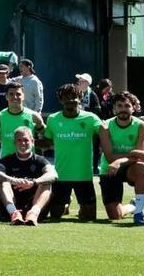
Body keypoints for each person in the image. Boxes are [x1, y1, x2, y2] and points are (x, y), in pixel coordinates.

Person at [42, 84, 102, 221]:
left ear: (80, 98)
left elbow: (106, 132)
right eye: (66, 97)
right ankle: (66, 202)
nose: (70, 100)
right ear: (61, 100)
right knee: (56, 215)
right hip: (61, 175)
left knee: (89, 218)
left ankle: (73, 203)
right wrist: (28, 140)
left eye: (74, 97)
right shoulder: (53, 119)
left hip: (84, 176)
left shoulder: (91, 118)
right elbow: (47, 142)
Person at [97, 92, 144, 223]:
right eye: (119, 106)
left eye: (127, 105)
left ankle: (139, 212)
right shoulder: (105, 126)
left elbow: (141, 157)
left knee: (142, 168)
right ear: (114, 108)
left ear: (133, 108)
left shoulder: (141, 126)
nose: (123, 109)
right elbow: (109, 157)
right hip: (110, 169)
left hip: (131, 167)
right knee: (114, 215)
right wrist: (133, 153)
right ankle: (133, 205)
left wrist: (119, 160)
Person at [0, 127, 56, 226]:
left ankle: (33, 214)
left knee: (46, 183)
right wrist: (13, 180)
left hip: (35, 205)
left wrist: (34, 182)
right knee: (3, 182)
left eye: (26, 140)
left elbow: (53, 175)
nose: (23, 143)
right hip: (12, 204)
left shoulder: (40, 160)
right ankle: (14, 213)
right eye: (19, 140)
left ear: (32, 141)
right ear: (14, 143)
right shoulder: (7, 160)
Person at [0, 82, 45, 159]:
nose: (15, 97)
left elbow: (47, 134)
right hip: (6, 162)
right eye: (11, 94)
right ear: (6, 97)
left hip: (29, 162)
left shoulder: (34, 116)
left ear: (23, 96)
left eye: (18, 94)